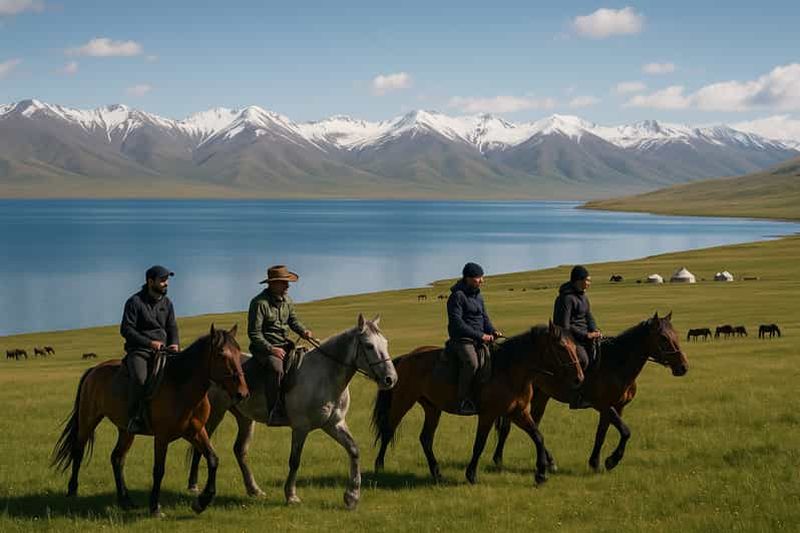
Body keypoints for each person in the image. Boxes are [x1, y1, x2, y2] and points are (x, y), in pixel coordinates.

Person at [247, 265, 314, 426]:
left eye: (287, 282)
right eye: (284, 283)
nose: (287, 286)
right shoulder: (259, 303)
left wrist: (303, 331)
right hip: (264, 349)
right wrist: (271, 349)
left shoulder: (288, 301)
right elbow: (254, 333)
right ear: (272, 284)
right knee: (276, 368)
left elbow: (293, 321)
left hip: (285, 345)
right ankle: (274, 411)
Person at [120, 265, 180, 434]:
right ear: (150, 281)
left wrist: (175, 343)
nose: (166, 283)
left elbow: (172, 327)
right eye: (162, 280)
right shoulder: (134, 302)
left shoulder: (167, 303)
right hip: (140, 351)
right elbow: (126, 330)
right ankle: (135, 417)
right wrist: (149, 343)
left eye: (167, 280)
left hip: (165, 350)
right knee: (140, 379)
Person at [446, 262, 502, 415]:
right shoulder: (457, 296)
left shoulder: (478, 296)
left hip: (479, 338)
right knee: (472, 363)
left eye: (482, 277)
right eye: (478, 278)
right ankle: (462, 400)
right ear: (468, 278)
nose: (482, 281)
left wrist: (493, 331)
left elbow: (484, 319)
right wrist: (481, 335)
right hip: (462, 340)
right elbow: (457, 323)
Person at [553, 264, 602, 409]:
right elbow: (564, 325)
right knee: (583, 360)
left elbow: (589, 317)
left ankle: (593, 390)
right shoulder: (566, 299)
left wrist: (595, 330)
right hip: (569, 338)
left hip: (585, 336)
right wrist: (586, 335)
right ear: (578, 280)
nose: (589, 283)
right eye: (588, 280)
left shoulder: (583, 297)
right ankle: (576, 397)